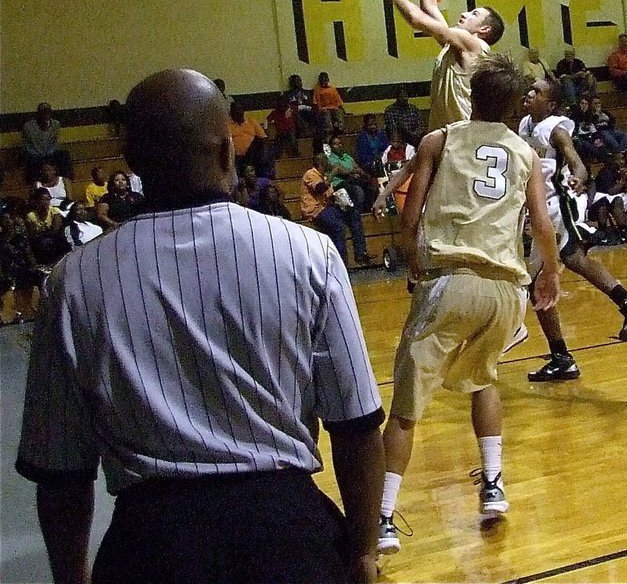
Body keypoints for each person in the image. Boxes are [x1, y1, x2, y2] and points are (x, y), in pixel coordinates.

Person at [16, 69, 385, 584]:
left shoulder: (72, 280)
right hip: (286, 532)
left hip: (150, 546)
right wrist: (363, 551)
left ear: (132, 160)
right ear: (227, 151)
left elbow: (60, 470)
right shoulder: (309, 254)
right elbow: (356, 425)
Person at [377, 55, 560, 556]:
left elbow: (410, 217)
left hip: (451, 279)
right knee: (484, 379)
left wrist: (413, 262)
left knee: (405, 410)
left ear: (471, 94)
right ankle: (493, 485)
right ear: (515, 106)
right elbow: (542, 224)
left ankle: (383, 517)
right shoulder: (525, 153)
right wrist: (551, 273)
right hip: (505, 291)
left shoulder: (439, 140)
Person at [521, 80, 627, 382]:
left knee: (572, 257)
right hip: (539, 210)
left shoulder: (556, 129)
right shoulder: (524, 125)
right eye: (530, 90)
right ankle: (562, 358)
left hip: (560, 204)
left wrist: (579, 178)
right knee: (537, 286)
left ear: (551, 104)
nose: (529, 94)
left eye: (537, 92)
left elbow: (578, 164)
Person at [374, 0, 504, 212]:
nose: (464, 13)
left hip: (466, 145)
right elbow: (429, 5)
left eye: (474, 14)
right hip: (447, 140)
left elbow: (416, 19)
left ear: (484, 30)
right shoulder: (454, 46)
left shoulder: (474, 46)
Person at [301, 153, 372, 267]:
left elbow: (331, 194)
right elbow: (321, 189)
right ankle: (341, 264)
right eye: (327, 164)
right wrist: (333, 173)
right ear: (322, 164)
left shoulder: (323, 176)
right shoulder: (310, 174)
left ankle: (360, 253)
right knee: (338, 227)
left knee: (353, 214)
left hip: (326, 207)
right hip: (315, 211)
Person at [21, 102, 73, 182]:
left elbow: (54, 142)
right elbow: (28, 145)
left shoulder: (56, 124)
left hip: (49, 152)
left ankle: (65, 180)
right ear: (38, 114)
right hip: (34, 153)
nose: (46, 115)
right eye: (43, 112)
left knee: (64, 155)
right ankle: (34, 183)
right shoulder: (28, 127)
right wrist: (40, 153)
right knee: (31, 160)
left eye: (48, 112)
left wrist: (49, 152)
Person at [25, 188, 69, 265]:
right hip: (40, 243)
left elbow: (55, 231)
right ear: (37, 201)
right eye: (43, 200)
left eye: (47, 199)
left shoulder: (54, 211)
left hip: (55, 240)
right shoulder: (31, 216)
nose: (45, 202)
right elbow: (32, 235)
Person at [229, 99, 270, 176]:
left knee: (260, 143)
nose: (237, 112)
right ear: (231, 113)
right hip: (236, 157)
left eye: (238, 109)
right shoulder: (227, 126)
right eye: (234, 110)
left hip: (253, 155)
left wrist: (264, 153)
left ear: (243, 110)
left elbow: (264, 138)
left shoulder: (252, 121)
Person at [313, 72, 346, 139]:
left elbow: (339, 102)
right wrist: (318, 110)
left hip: (333, 108)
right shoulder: (317, 90)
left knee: (338, 112)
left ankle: (340, 129)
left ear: (328, 79)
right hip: (323, 109)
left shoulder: (333, 89)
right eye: (322, 79)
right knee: (326, 113)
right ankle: (329, 131)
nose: (324, 80)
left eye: (325, 78)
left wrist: (343, 111)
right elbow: (315, 103)